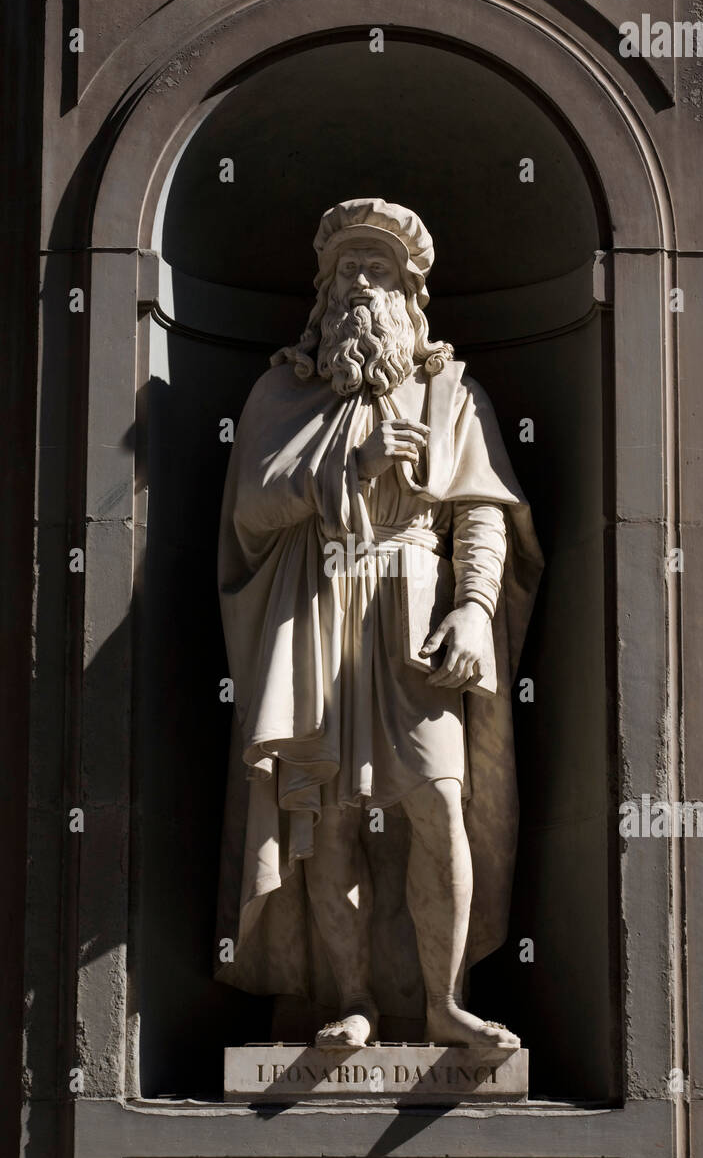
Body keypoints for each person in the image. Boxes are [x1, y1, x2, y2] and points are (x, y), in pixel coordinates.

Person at [215, 199, 542, 1050]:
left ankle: (443, 1001)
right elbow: (250, 509)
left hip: (417, 614)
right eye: (348, 271)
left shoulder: (448, 389)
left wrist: (474, 609)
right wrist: (346, 470)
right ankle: (349, 1001)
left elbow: (481, 512)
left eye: (381, 271)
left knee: (438, 802)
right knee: (320, 817)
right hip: (316, 612)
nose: (364, 285)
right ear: (324, 297)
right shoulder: (281, 390)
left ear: (409, 294)